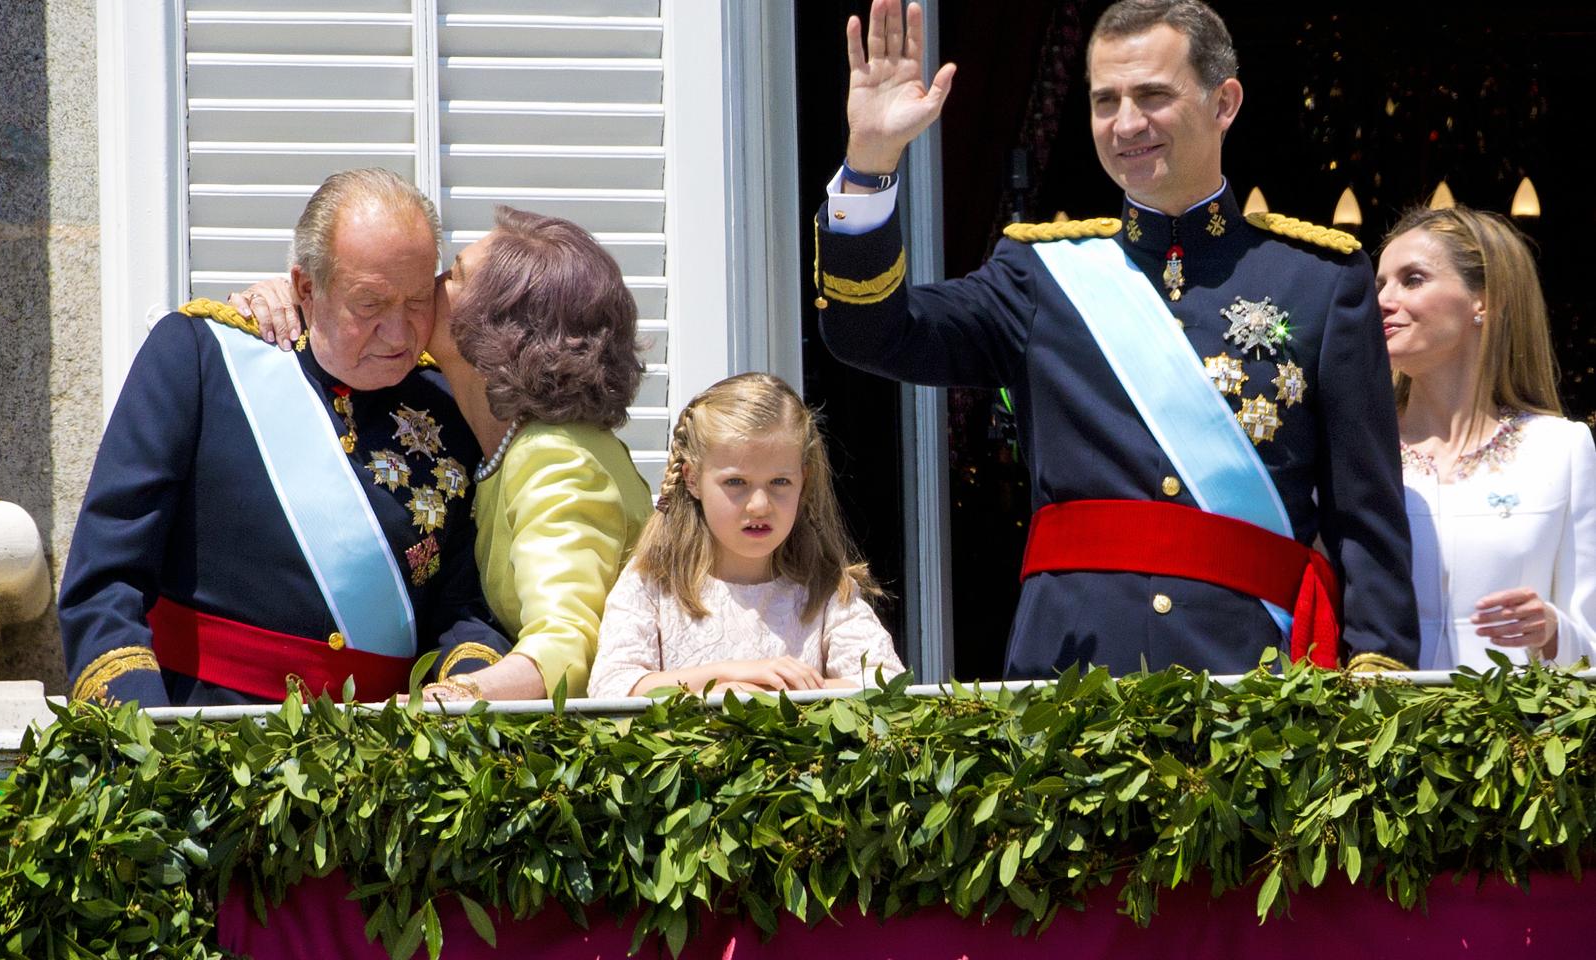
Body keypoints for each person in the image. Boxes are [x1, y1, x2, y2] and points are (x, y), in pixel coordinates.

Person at [814, 0, 1419, 676]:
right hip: (1071, 677)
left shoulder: (1321, 281)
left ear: (1225, 102)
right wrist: (870, 164)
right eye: (1106, 101)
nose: (1127, 124)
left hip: (1256, 685)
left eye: (1153, 96)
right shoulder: (1039, 276)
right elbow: (871, 332)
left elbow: (1365, 516)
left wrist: (1380, 681)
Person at [60, 169, 509, 707]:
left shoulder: (447, 403)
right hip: (202, 733)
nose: (399, 333)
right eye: (370, 305)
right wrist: (142, 735)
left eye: (417, 302)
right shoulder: (202, 359)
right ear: (305, 287)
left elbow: (465, 606)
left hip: (383, 759)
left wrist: (460, 703)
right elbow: (106, 580)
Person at [230, 207, 653, 700]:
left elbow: (564, 646)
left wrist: (447, 701)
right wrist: (299, 297)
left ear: (502, 327)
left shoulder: (554, 457)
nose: (431, 283)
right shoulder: (511, 442)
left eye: (454, 274)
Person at [588, 373, 906, 698]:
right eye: (736, 482)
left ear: (803, 480)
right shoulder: (653, 583)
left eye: (779, 482)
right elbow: (610, 689)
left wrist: (773, 694)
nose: (759, 505)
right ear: (693, 479)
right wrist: (724, 679)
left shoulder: (824, 590)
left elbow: (888, 686)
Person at [1377, 206, 1595, 669]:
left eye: (1412, 280)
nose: (1384, 299)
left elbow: (1590, 642)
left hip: (1519, 733)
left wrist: (1553, 631)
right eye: (1380, 284)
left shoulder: (1561, 449)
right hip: (1373, 730)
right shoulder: (1357, 449)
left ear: (1485, 301)